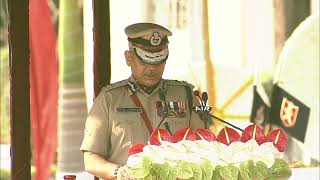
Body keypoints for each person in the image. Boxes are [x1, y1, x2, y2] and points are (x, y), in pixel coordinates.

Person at [80, 22, 207, 180]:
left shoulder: (184, 95)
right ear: (128, 58)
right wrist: (118, 172)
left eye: (157, 61)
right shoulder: (109, 99)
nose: (151, 68)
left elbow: (203, 146)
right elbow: (91, 158)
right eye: (144, 61)